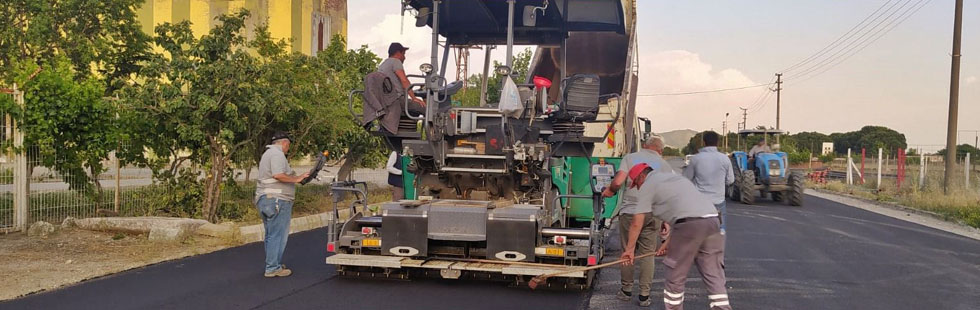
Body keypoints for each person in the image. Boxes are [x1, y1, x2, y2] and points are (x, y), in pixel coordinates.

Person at [625, 163, 732, 310]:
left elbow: (637, 222)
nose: (637, 187)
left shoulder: (648, 185)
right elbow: (685, 210)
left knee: (675, 275)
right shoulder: (675, 179)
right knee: (713, 274)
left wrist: (629, 250)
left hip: (690, 225)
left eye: (636, 183)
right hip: (713, 220)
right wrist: (669, 242)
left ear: (641, 176)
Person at [600, 135, 673, 307]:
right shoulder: (665, 166)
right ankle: (644, 295)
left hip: (630, 211)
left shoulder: (631, 158)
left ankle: (626, 290)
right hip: (654, 212)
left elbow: (618, 182)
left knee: (628, 249)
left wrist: (610, 190)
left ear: (644, 145)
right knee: (648, 254)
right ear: (660, 150)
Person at [254, 132, 310, 278]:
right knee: (278, 235)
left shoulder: (267, 154)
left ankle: (273, 262)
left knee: (271, 235)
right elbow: (278, 175)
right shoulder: (277, 155)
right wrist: (297, 179)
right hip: (277, 200)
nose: (288, 149)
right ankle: (272, 268)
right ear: (284, 143)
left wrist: (298, 177)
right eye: (288, 146)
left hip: (266, 199)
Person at [683, 131, 735, 235]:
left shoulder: (696, 159)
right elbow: (730, 180)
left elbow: (686, 179)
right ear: (718, 142)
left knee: (697, 234)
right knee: (720, 233)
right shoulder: (725, 159)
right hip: (718, 202)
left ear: (704, 142)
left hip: (700, 203)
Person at [379, 42, 425, 115]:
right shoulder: (396, 62)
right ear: (398, 53)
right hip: (397, 100)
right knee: (424, 108)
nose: (404, 57)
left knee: (414, 110)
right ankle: (432, 126)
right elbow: (404, 80)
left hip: (385, 101)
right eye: (403, 54)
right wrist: (414, 98)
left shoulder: (382, 65)